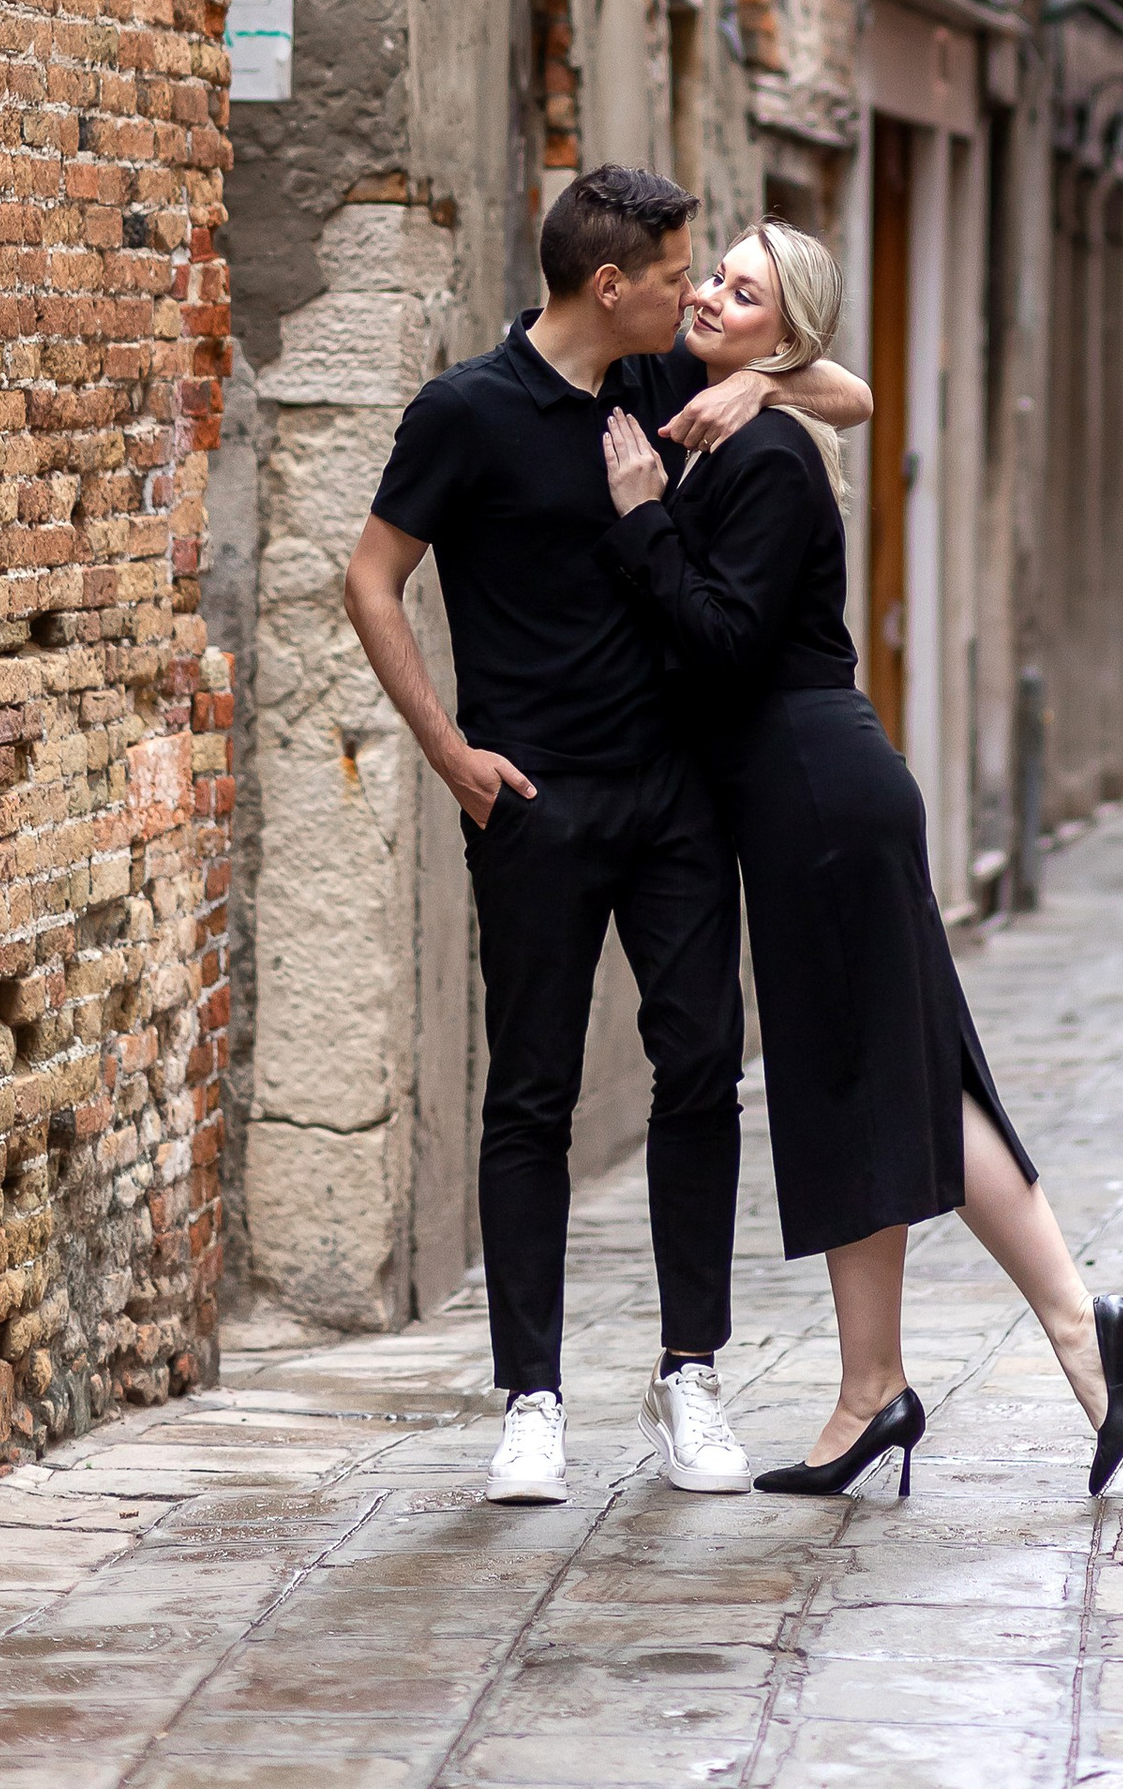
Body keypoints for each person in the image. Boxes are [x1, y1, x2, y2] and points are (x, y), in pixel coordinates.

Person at [601, 220, 1123, 1500]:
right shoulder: (714, 413)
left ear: (782, 331)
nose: (707, 294)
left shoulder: (762, 460)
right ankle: (892, 1385)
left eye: (743, 293)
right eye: (711, 276)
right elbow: (844, 386)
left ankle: (1063, 1333)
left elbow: (722, 647)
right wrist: (752, 376)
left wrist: (642, 521)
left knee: (887, 1077)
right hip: (802, 797)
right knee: (864, 1078)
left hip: (819, 792)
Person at [342, 165, 871, 1509]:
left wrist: (761, 385)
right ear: (609, 286)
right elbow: (370, 576)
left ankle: (689, 1373)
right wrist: (446, 751)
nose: (701, 293)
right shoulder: (465, 410)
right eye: (684, 270)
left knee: (699, 1069)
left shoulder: (657, 389)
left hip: (677, 789)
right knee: (531, 1091)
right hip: (536, 795)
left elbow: (849, 395)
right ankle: (531, 1398)